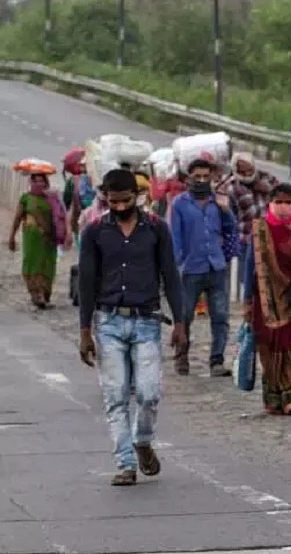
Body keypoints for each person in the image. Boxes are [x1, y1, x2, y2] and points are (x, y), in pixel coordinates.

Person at [77, 169, 188, 486]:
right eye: (113, 202)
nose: (120, 207)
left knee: (149, 393)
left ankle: (142, 440)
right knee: (115, 396)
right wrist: (85, 330)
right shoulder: (95, 232)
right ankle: (125, 463)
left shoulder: (156, 229)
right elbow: (86, 282)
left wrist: (180, 323)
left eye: (125, 200)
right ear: (105, 199)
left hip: (147, 322)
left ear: (136, 197)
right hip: (109, 322)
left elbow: (171, 276)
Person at [242, 183, 291, 417]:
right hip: (267, 300)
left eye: (289, 202)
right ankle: (277, 398)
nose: (284, 207)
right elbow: (250, 267)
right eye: (279, 202)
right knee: (272, 347)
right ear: (270, 204)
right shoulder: (260, 229)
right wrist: (247, 301)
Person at [170, 159, 238, 377]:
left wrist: (226, 210)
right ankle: (182, 356)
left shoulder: (218, 202)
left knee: (220, 316)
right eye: (196, 177)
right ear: (189, 178)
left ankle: (217, 360)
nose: (201, 180)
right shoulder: (179, 204)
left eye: (205, 177)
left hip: (216, 266)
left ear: (211, 177)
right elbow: (176, 238)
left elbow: (231, 229)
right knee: (185, 315)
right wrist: (175, 267)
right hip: (190, 269)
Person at [9, 172, 68, 308]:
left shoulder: (51, 199)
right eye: (36, 181)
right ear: (31, 182)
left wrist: (65, 234)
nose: (39, 184)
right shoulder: (26, 198)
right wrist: (12, 237)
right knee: (32, 263)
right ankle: (36, 294)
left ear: (46, 183)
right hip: (32, 239)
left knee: (48, 265)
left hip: (49, 239)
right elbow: (17, 219)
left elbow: (60, 216)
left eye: (42, 181)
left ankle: (46, 295)